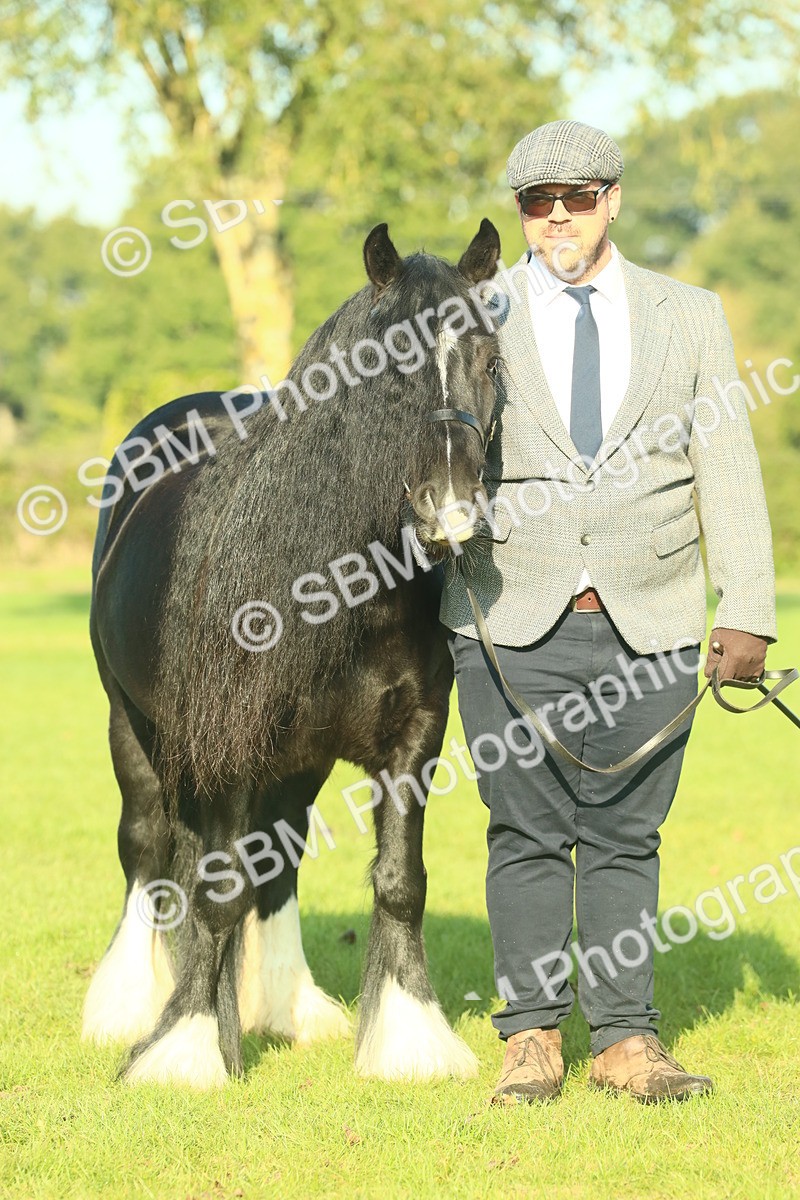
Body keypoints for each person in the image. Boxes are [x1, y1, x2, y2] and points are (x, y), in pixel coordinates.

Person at [440, 119, 777, 1104]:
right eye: (536, 202)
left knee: (629, 834)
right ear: (519, 212)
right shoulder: (473, 312)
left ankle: (626, 1040)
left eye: (576, 198)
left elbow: (725, 463)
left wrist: (748, 608)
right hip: (507, 616)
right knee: (524, 831)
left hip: (653, 617)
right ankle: (531, 1039)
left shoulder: (690, 315)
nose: (557, 217)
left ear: (611, 200)